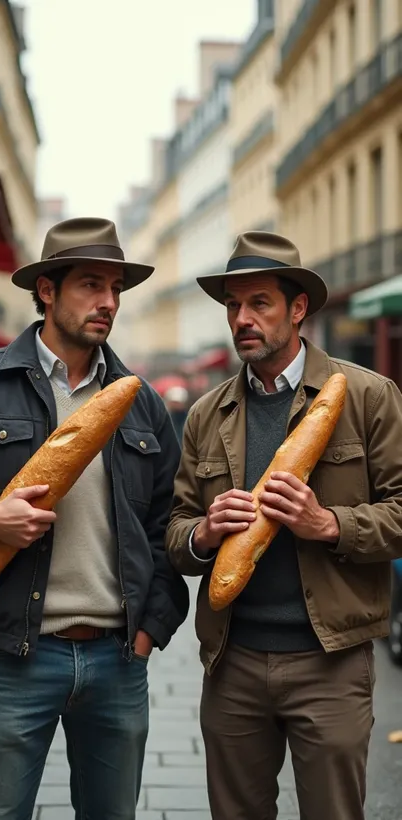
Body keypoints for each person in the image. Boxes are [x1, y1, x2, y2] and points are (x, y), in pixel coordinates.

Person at [0, 217, 189, 820]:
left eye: (117, 290)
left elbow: (168, 521)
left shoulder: (139, 401)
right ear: (47, 289)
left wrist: (152, 627)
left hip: (119, 660)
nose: (108, 303)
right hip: (13, 659)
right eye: (91, 285)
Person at [166, 230, 402, 820]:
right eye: (232, 306)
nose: (241, 319)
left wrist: (329, 524)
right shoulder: (205, 413)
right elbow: (174, 531)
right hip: (233, 663)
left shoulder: (367, 397)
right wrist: (203, 534)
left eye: (259, 303)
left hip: (332, 663)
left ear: (298, 309)